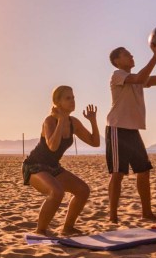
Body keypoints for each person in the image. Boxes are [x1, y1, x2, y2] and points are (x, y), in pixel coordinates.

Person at [105, 39, 156, 223]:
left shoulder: (137, 78)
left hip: (133, 130)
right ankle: (112, 216)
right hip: (117, 128)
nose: (131, 56)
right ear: (117, 60)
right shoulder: (117, 75)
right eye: (127, 54)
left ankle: (146, 212)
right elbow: (140, 78)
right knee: (117, 174)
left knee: (143, 171)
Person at [22, 86, 100, 236]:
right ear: (57, 102)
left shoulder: (73, 123)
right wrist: (61, 121)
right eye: (68, 98)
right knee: (56, 192)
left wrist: (93, 121)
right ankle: (40, 231)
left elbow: (95, 142)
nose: (72, 101)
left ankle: (68, 228)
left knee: (83, 190)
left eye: (73, 97)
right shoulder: (49, 121)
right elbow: (52, 146)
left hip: (53, 167)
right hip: (34, 166)